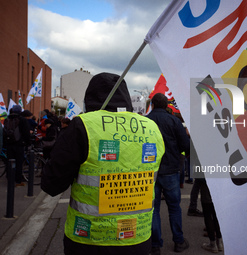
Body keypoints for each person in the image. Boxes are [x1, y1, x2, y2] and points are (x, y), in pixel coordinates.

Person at [41, 72, 165, 255]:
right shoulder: (151, 128)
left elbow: (51, 184)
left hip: (89, 239)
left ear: (90, 97)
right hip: (138, 239)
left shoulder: (82, 126)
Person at [146, 93, 190, 254]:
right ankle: (178, 241)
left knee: (154, 209)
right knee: (174, 208)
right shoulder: (174, 121)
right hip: (171, 170)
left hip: (151, 172)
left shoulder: (145, 121)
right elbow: (185, 145)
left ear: (152, 104)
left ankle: (155, 245)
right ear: (166, 105)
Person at [3, 105, 30, 186]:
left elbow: (5, 132)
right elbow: (26, 133)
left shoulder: (7, 119)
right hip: (19, 144)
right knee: (19, 162)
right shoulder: (22, 120)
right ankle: (18, 180)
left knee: (10, 161)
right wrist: (27, 143)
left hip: (9, 144)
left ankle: (9, 177)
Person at [200, 179, 223, 253]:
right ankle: (219, 242)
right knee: (216, 215)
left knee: (208, 215)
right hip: (219, 186)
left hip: (207, 185)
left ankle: (212, 244)